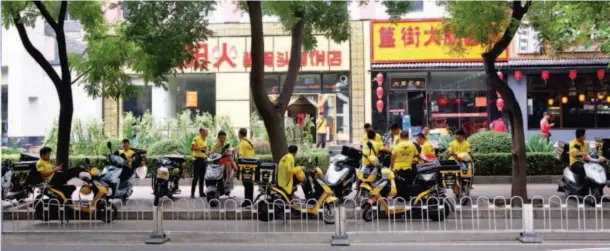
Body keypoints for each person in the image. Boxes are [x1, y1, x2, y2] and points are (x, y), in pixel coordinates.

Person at [236, 128, 255, 208]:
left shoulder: (243, 143)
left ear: (240, 134)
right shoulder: (249, 141)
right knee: (250, 184)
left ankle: (247, 202)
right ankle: (249, 201)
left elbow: (240, 155)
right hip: (251, 165)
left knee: (246, 184)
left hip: (245, 166)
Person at [191, 128, 208, 198]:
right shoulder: (196, 138)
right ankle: (192, 193)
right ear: (201, 132)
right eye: (206, 131)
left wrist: (207, 154)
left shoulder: (205, 140)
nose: (207, 133)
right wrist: (201, 147)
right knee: (195, 178)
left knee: (202, 178)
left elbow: (203, 151)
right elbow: (192, 148)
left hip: (203, 160)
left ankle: (201, 193)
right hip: (197, 160)